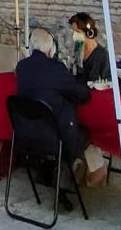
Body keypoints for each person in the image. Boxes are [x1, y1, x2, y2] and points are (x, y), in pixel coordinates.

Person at [15, 26, 107, 186]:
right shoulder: (57, 70)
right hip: (56, 140)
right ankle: (72, 167)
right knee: (86, 133)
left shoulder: (21, 67)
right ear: (52, 50)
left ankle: (64, 169)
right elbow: (82, 95)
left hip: (25, 134)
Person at [68, 12, 111, 84]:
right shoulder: (77, 50)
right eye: (73, 32)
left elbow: (107, 82)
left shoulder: (102, 56)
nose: (74, 35)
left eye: (78, 32)